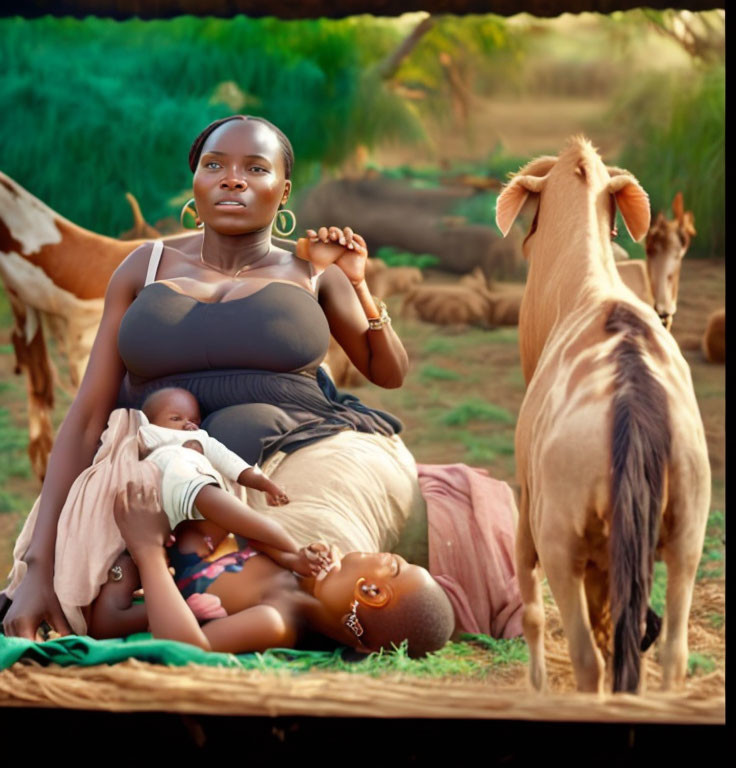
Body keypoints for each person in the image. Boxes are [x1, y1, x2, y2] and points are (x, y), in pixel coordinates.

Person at [2, 114, 423, 640]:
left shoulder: (311, 271)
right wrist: (39, 568)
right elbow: (88, 413)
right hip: (154, 450)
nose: (233, 178)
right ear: (195, 182)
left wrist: (359, 285)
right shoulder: (143, 266)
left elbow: (389, 373)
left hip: (291, 445)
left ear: (283, 191)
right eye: (214, 165)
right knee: (71, 594)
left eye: (255, 167)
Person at [95, 482, 454, 658]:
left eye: (392, 564)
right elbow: (250, 531)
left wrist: (147, 553)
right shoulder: (302, 573)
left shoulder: (277, 621)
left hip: (157, 564)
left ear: (371, 593)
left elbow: (192, 646)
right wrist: (296, 556)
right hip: (181, 537)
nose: (381, 554)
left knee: (106, 621)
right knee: (216, 496)